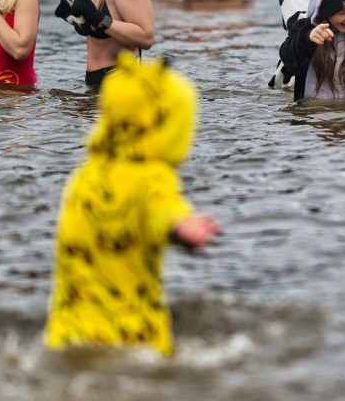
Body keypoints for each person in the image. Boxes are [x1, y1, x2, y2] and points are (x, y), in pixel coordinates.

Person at [44, 53, 219, 355]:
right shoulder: (152, 175)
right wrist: (179, 226)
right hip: (131, 334)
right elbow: (160, 209)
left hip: (69, 328)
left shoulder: (87, 173)